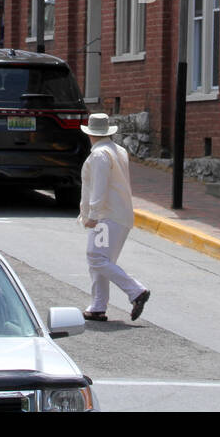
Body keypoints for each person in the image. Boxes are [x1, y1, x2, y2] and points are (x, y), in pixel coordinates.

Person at [78, 113, 150, 322]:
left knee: (96, 257)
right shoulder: (118, 150)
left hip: (106, 216)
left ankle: (136, 291)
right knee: (102, 260)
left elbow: (99, 188)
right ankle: (98, 306)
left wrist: (92, 215)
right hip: (120, 214)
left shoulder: (99, 155)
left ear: (90, 134)